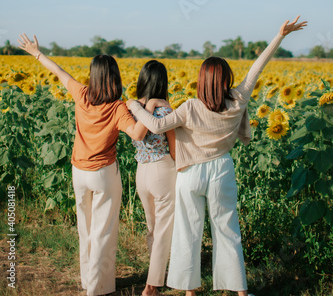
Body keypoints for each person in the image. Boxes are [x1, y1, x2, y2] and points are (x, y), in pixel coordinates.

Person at [126, 16, 308, 296]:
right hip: (221, 170)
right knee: (226, 230)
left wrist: (137, 107)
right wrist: (279, 35)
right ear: (226, 80)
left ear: (201, 80)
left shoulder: (189, 107)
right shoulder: (237, 100)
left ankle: (190, 290)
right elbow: (258, 68)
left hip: (189, 174)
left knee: (188, 232)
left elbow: (158, 126)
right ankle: (239, 291)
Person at [17, 33, 150, 296]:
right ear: (115, 76)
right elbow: (137, 134)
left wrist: (36, 53)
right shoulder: (117, 108)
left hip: (79, 172)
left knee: (85, 228)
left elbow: (59, 72)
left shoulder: (82, 94)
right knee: (103, 231)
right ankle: (98, 288)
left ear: (93, 75)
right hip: (103, 174)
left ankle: (87, 281)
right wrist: (146, 107)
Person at [130, 60, 177, 296]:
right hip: (162, 170)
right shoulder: (166, 110)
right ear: (162, 82)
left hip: (142, 171)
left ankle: (154, 274)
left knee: (152, 227)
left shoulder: (131, 109)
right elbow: (174, 148)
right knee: (163, 230)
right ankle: (152, 285)